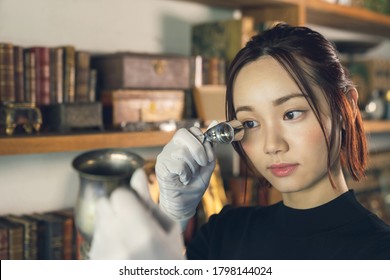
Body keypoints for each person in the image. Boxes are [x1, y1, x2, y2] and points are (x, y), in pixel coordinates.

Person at [89, 23, 390, 260]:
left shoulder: (378, 254)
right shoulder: (224, 233)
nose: (272, 145)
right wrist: (170, 221)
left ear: (345, 108)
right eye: (250, 123)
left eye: (292, 113)